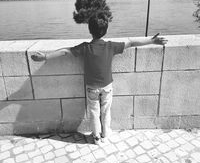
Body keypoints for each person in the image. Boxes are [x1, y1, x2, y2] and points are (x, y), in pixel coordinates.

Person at [31, 11, 167, 145]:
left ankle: (96, 137)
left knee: (94, 112)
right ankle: (105, 135)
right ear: (106, 30)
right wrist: (152, 40)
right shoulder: (110, 46)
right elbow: (131, 42)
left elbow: (65, 51)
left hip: (91, 87)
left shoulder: (85, 47)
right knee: (106, 111)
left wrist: (45, 56)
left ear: (90, 30)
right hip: (107, 86)